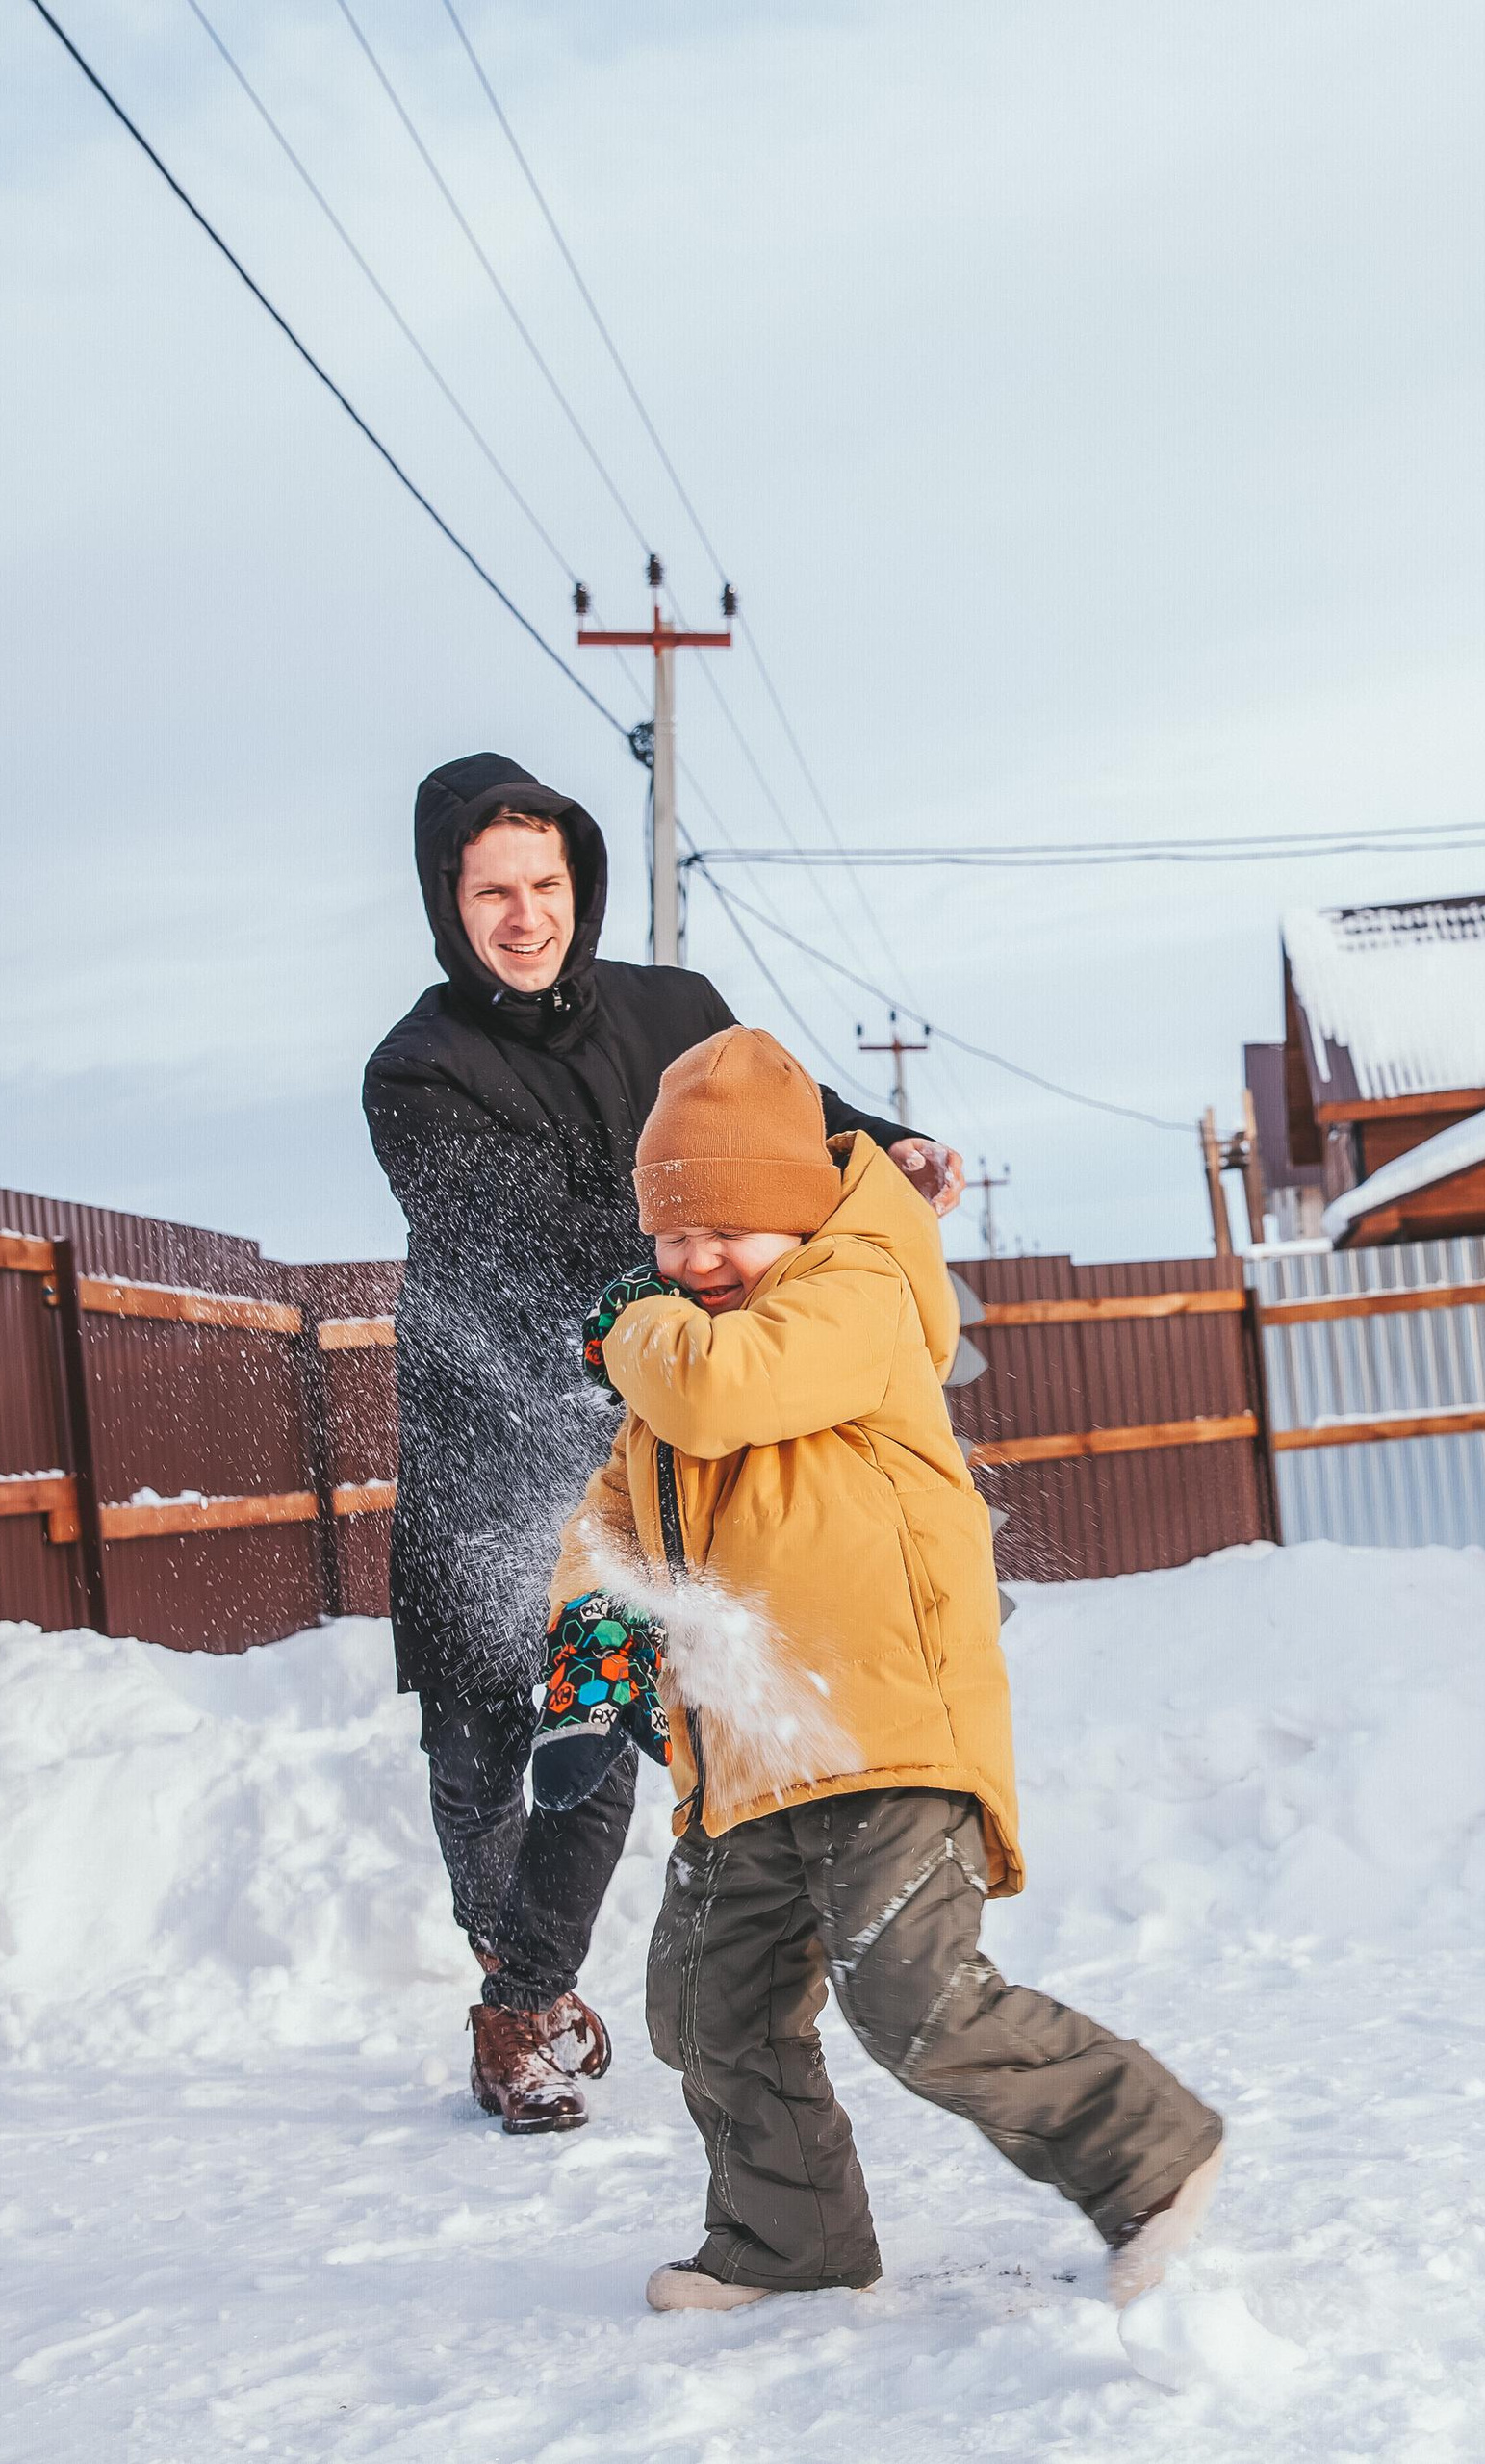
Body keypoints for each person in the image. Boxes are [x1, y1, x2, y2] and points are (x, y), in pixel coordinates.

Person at [544, 1026, 1223, 2311]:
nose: (691, 1261)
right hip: (746, 1756)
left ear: (797, 1216)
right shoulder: (678, 1360)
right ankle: (788, 2240)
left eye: (724, 1231)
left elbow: (720, 1392)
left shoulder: (853, 1297)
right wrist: (592, 1662)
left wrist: (635, 1325)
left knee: (915, 1999)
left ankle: (1151, 2155)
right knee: (705, 2012)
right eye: (668, 1240)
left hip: (880, 1727)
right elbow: (610, 1527)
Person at [363, 753, 963, 2133]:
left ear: (581, 884)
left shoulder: (676, 1013)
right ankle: (500, 1940)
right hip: (487, 1435)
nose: (527, 916)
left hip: (635, 1423)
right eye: (493, 891)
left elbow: (779, 1134)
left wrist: (889, 1147)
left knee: (597, 1705)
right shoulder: (416, 1070)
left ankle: (521, 1998)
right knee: (474, 1740)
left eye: (548, 885)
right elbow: (526, 1238)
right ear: (448, 904)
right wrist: (704, 1276)